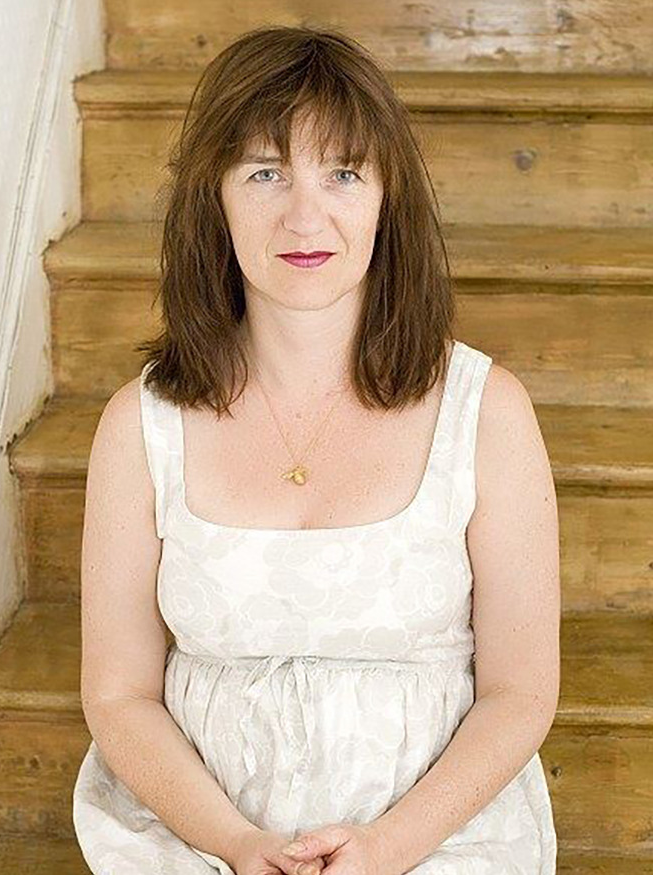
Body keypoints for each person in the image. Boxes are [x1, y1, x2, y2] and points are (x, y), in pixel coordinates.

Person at [73, 24, 560, 875]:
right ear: (214, 200)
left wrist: (388, 848)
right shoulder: (137, 425)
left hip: (436, 838)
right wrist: (236, 843)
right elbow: (119, 695)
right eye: (266, 172)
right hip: (199, 836)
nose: (306, 215)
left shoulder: (488, 413)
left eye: (342, 171)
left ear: (386, 198)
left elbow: (521, 693)